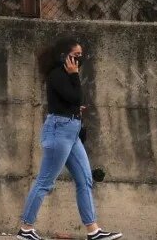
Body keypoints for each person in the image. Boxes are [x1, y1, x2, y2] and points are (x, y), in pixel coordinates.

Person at [16, 37, 122, 240]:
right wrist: (75, 77)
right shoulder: (57, 74)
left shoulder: (65, 74)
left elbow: (68, 102)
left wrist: (75, 109)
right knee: (45, 181)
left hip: (71, 131)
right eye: (76, 56)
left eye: (81, 56)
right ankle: (25, 229)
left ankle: (94, 231)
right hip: (59, 131)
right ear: (64, 57)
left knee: (85, 179)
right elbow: (75, 97)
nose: (79, 60)